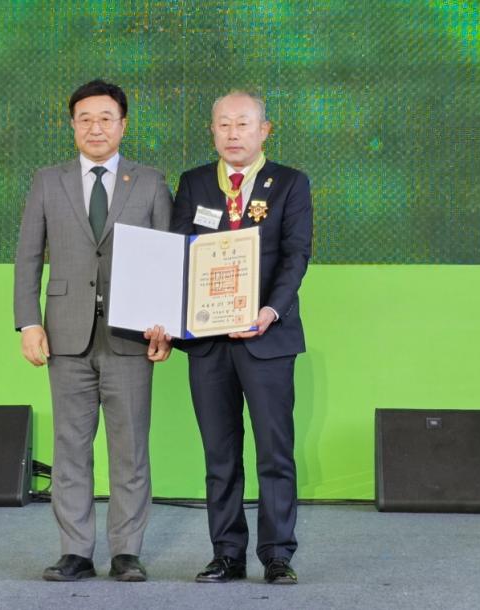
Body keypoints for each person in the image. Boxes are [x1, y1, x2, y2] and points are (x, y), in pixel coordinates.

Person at [14, 79, 172, 583]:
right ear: (73, 125)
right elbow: (27, 257)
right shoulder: (47, 181)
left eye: (106, 118)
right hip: (65, 335)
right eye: (85, 119)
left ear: (123, 125)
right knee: (70, 449)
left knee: (130, 450)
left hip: (131, 336)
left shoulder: (150, 182)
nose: (96, 127)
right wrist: (29, 321)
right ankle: (76, 552)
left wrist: (166, 327)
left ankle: (127, 552)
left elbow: (168, 259)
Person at [171, 91, 312, 584]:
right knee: (220, 454)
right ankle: (227, 553)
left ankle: (277, 555)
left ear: (264, 130)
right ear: (212, 130)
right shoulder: (193, 183)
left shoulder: (290, 183)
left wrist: (270, 311)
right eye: (224, 124)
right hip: (208, 342)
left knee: (275, 452)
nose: (233, 133)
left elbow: (296, 255)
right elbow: (178, 256)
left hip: (267, 338)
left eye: (243, 124)